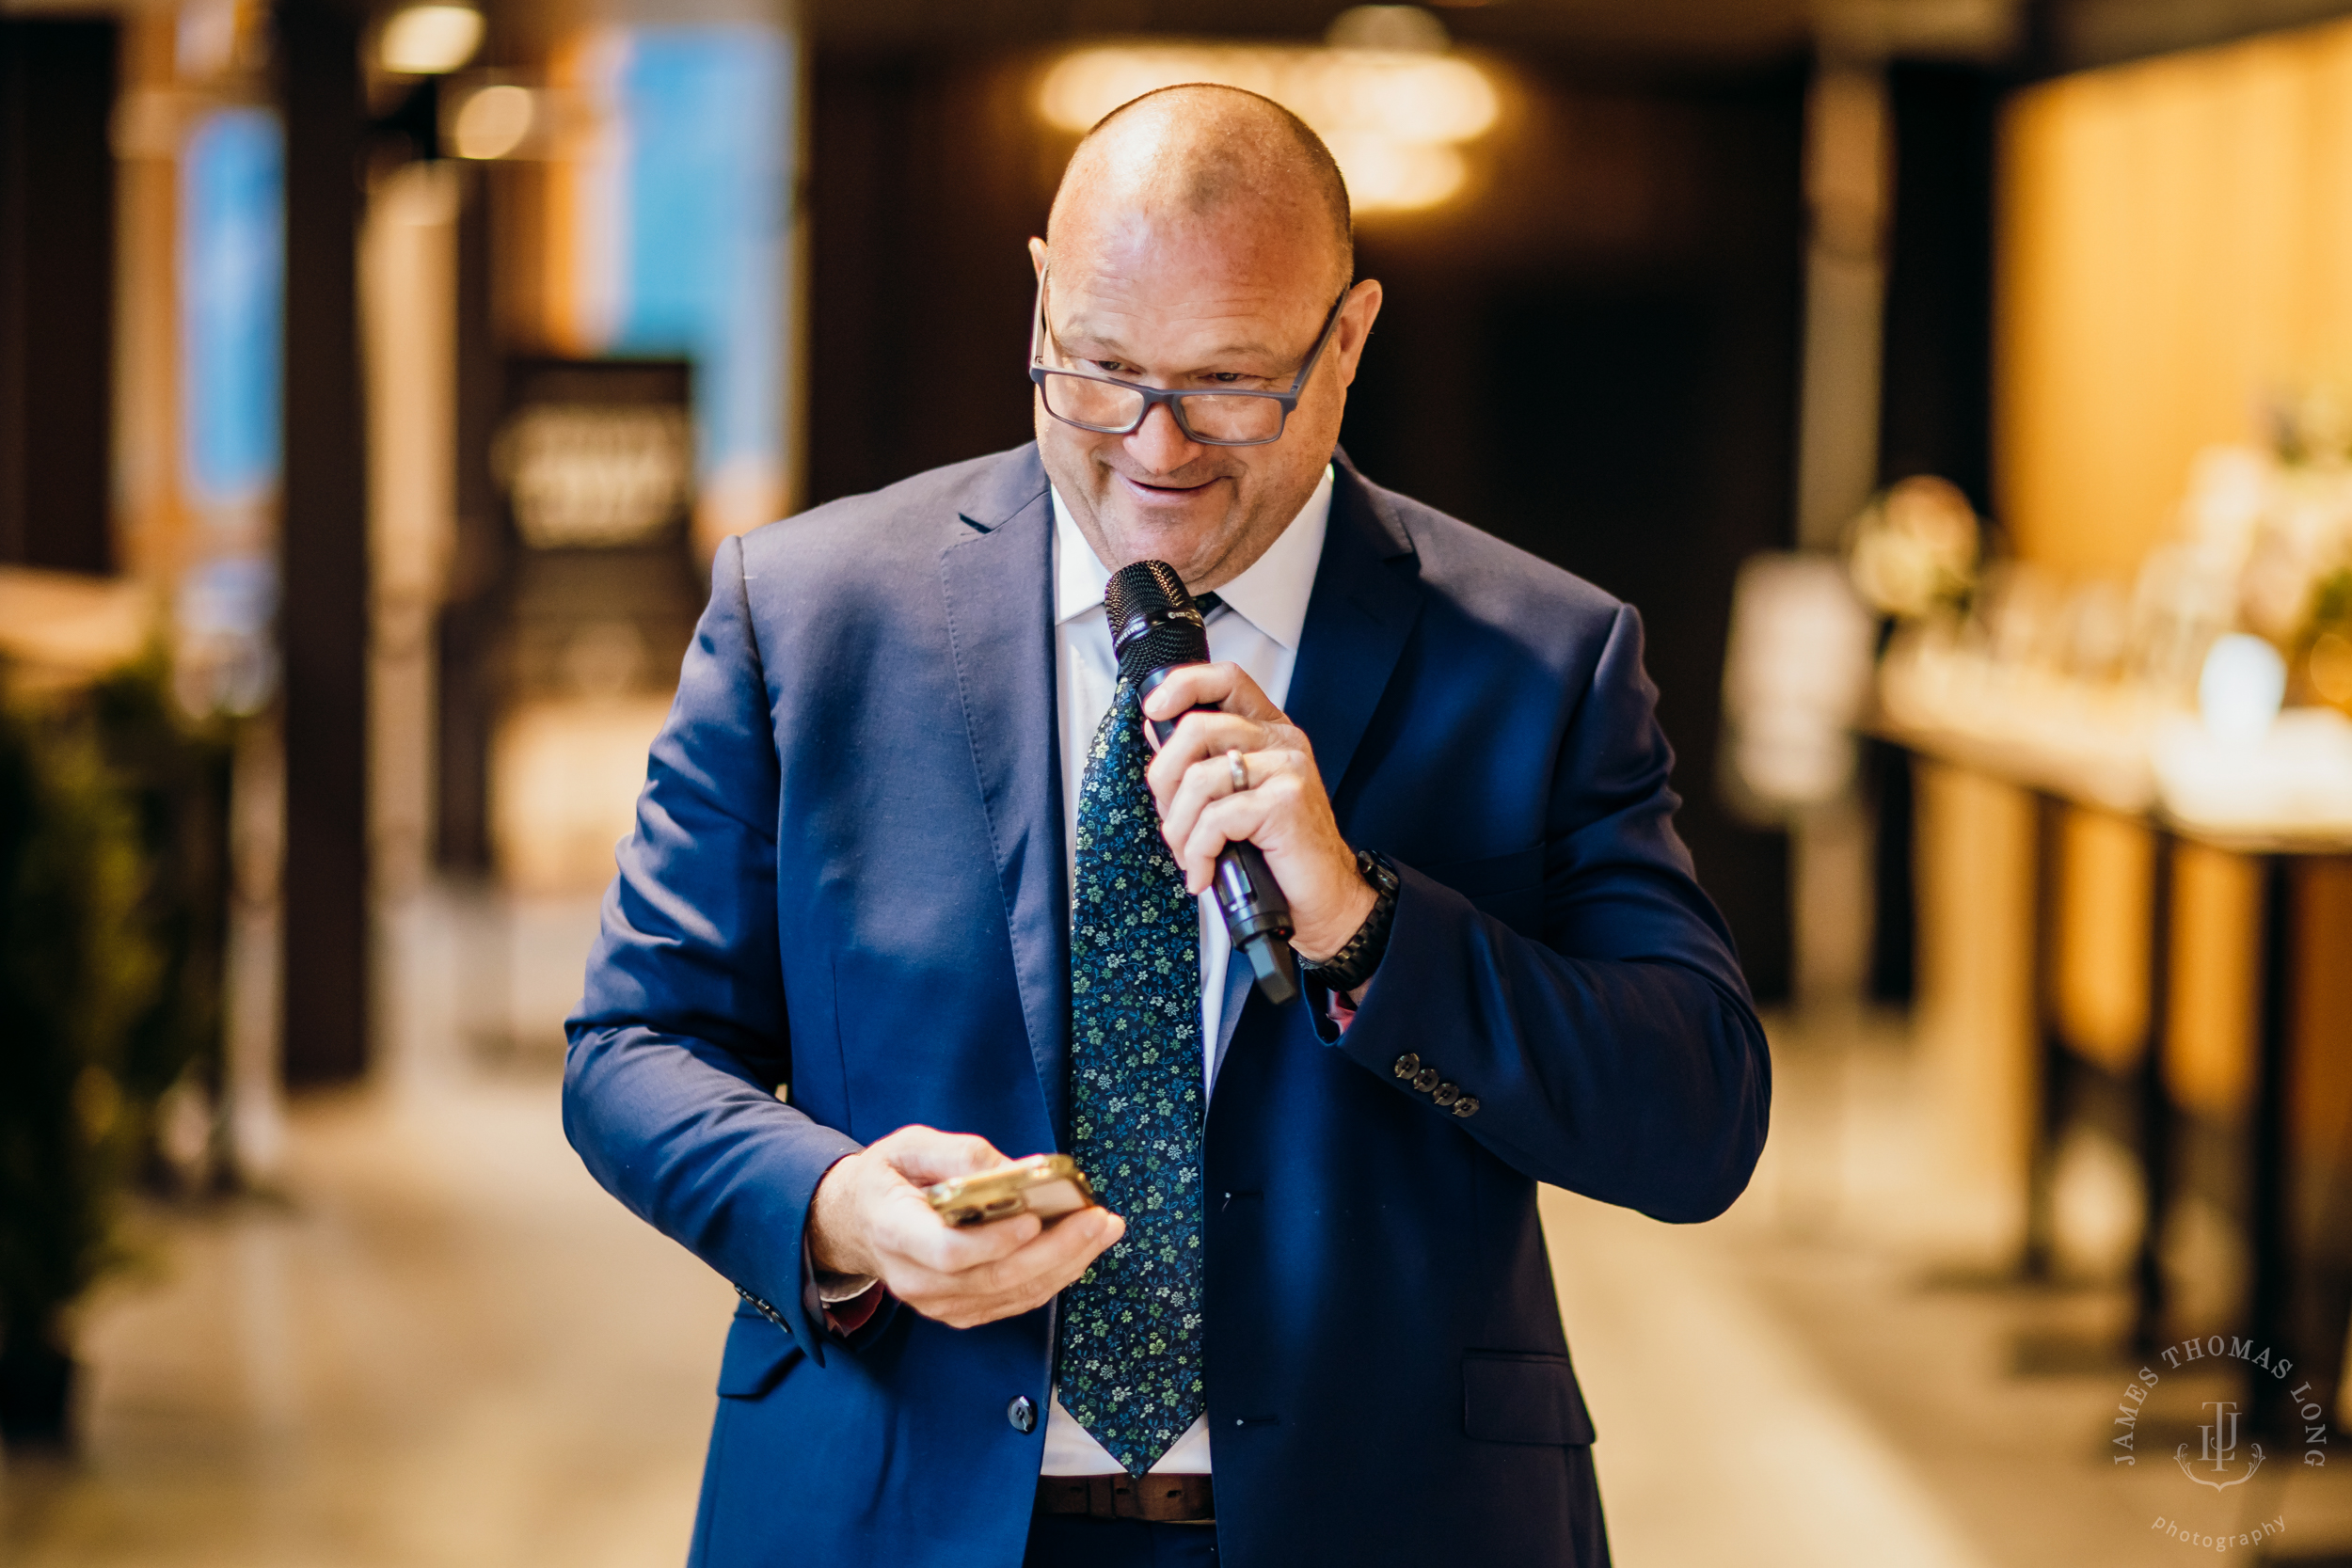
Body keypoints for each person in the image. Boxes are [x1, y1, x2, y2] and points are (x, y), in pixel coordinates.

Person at [565, 83, 1770, 1568]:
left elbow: (1699, 1116)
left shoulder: (1539, 659)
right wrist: (833, 1207)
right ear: (1039, 302)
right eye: (1102, 370)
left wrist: (1365, 923)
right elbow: (632, 1051)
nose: (1155, 446)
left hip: (1389, 1522)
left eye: (1228, 384)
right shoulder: (805, 615)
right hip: (883, 1507)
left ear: (1348, 342)